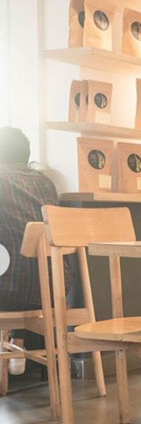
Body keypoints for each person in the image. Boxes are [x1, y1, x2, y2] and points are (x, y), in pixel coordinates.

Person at [0, 127, 69, 367]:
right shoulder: (46, 183)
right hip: (54, 291)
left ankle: (13, 347)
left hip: (10, 295)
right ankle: (17, 344)